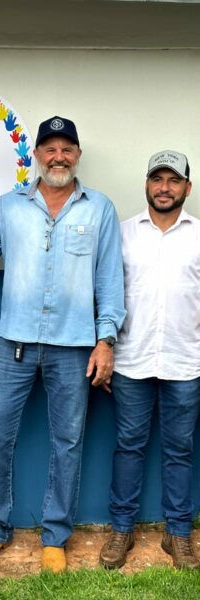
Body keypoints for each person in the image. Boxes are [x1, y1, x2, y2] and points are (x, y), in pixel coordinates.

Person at [0, 116, 125, 573]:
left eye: (66, 148)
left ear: (77, 154)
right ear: (36, 154)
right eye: (49, 148)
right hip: (13, 343)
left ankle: (55, 536)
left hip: (74, 347)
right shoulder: (9, 206)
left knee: (68, 443)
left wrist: (105, 339)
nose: (58, 157)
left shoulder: (99, 209)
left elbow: (110, 282)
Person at [99, 150, 200, 570]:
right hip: (131, 361)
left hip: (186, 361)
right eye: (157, 179)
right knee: (129, 447)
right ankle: (121, 529)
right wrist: (104, 349)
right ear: (146, 184)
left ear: (187, 188)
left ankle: (178, 534)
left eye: (173, 180)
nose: (164, 187)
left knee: (180, 450)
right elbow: (105, 295)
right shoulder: (122, 234)